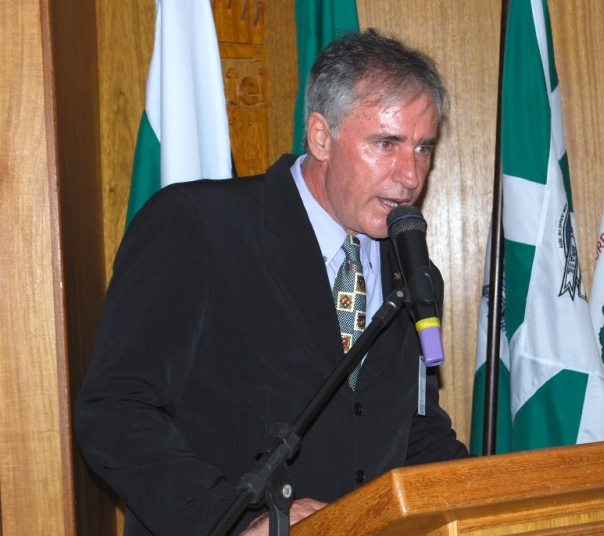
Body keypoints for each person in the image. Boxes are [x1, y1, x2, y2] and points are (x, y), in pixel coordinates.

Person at [74, 28, 469, 535]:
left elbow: (409, 430)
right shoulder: (198, 226)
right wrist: (243, 520)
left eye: (423, 148)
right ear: (321, 136)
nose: (411, 175)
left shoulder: (414, 271)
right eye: (386, 143)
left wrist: (492, 494)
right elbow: (115, 411)